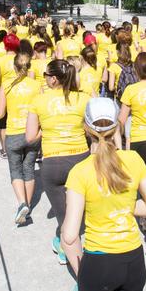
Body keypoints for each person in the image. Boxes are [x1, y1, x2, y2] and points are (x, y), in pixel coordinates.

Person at [61, 97, 146, 291]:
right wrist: (122, 206)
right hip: (132, 259)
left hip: (99, 261)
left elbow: (70, 236)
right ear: (117, 128)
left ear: (86, 129)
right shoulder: (133, 159)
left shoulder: (79, 172)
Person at [25, 59, 91, 265]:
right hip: (81, 158)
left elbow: (29, 137)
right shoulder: (84, 98)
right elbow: (92, 128)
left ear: (53, 79)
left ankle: (71, 258)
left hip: (53, 163)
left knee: (65, 221)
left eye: (45, 75)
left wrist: (47, 128)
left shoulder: (38, 101)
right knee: (81, 212)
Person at [0, 53, 42, 225]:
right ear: (29, 67)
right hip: (33, 132)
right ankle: (27, 206)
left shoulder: (7, 85)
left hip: (14, 132)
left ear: (14, 67)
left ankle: (22, 203)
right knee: (29, 167)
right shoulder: (37, 85)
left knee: (15, 170)